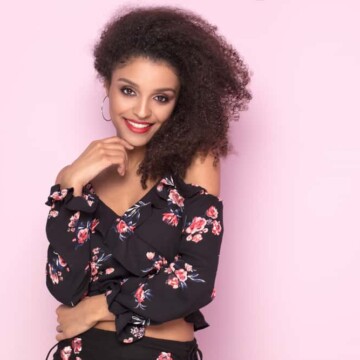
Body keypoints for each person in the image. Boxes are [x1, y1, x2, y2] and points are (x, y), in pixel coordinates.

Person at [44, 5, 252, 360]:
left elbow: (195, 282)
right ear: (107, 85)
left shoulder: (195, 162)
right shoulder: (81, 177)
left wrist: (96, 308)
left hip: (160, 352)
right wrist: (69, 184)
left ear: (179, 103)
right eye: (128, 91)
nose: (141, 112)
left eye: (161, 98)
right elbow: (65, 287)